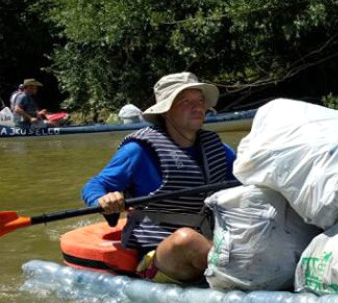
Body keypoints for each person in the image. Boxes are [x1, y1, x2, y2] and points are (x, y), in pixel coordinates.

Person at [82, 72, 236, 284]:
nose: (198, 107)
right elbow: (96, 185)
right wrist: (102, 199)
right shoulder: (138, 150)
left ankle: (240, 269)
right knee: (186, 239)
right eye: (186, 101)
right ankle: (244, 274)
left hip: (212, 241)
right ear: (166, 111)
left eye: (200, 101)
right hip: (160, 252)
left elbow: (247, 181)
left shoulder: (219, 149)